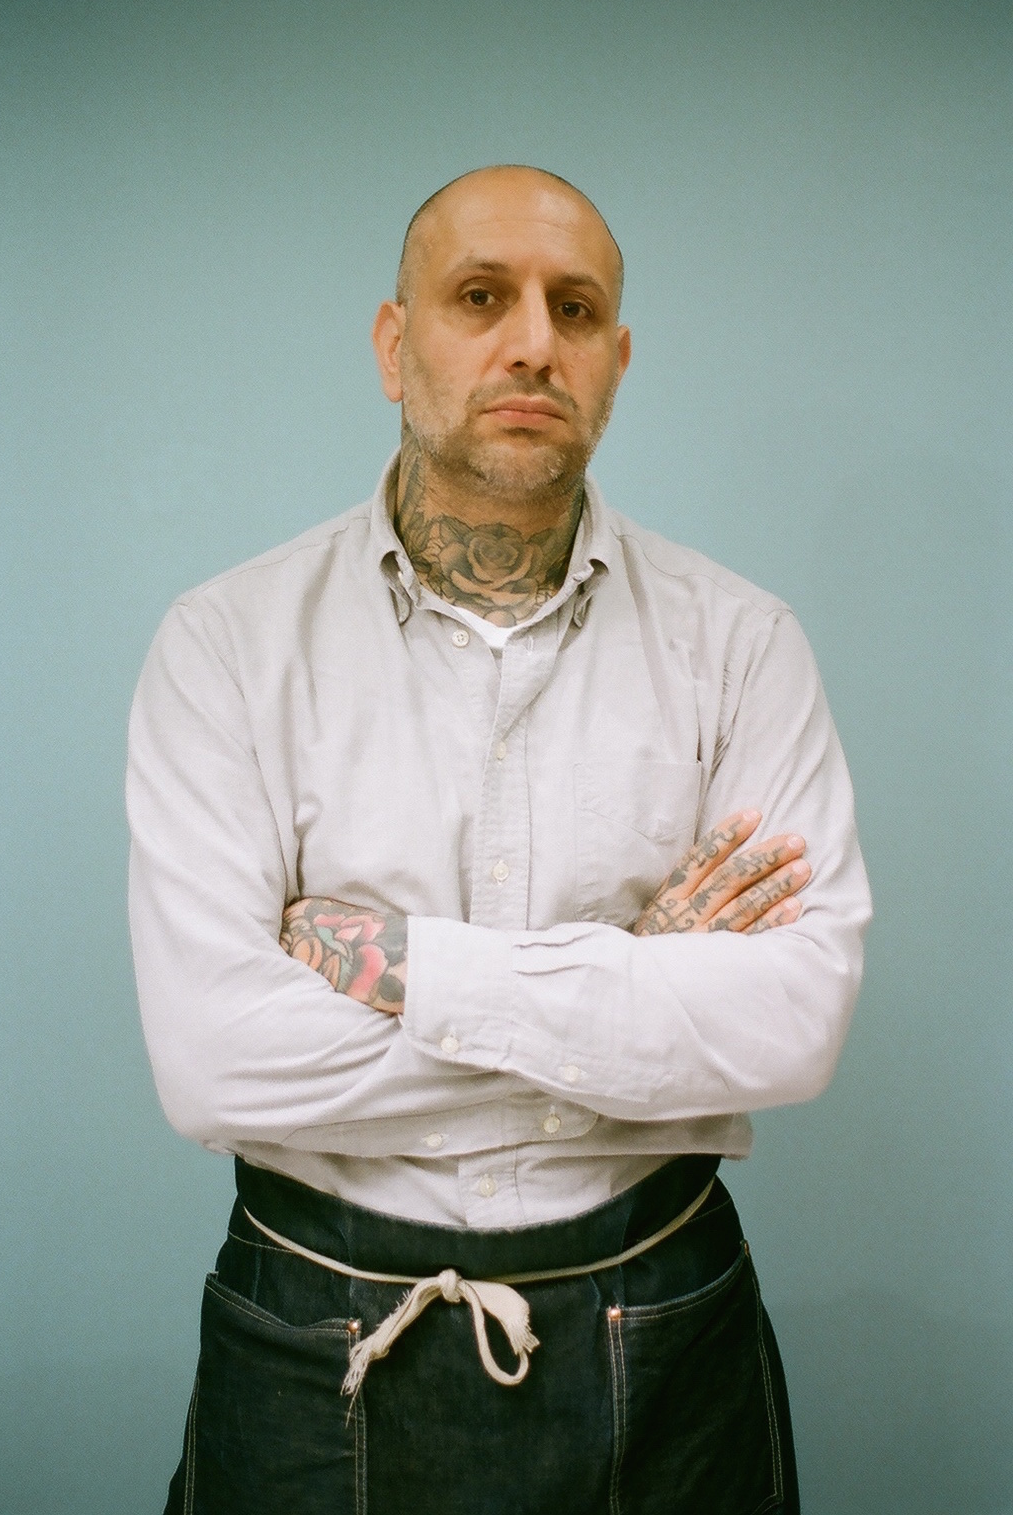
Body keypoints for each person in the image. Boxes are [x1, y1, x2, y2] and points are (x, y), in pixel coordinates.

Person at [127, 164, 871, 1514]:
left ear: (618, 359)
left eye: (575, 308)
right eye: (483, 297)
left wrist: (408, 966)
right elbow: (214, 1063)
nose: (534, 338)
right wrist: (635, 985)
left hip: (667, 1321)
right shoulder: (224, 647)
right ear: (394, 343)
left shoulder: (745, 645)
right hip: (313, 1330)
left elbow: (795, 1021)